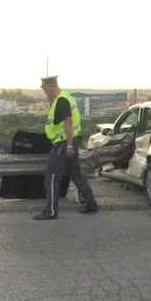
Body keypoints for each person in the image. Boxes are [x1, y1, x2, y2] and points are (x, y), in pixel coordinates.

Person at [32, 75, 99, 220]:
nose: (44, 91)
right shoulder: (63, 98)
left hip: (63, 143)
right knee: (76, 174)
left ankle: (51, 211)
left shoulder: (61, 100)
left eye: (44, 88)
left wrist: (68, 145)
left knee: (52, 176)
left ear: (51, 85)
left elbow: (68, 122)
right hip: (70, 142)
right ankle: (92, 205)